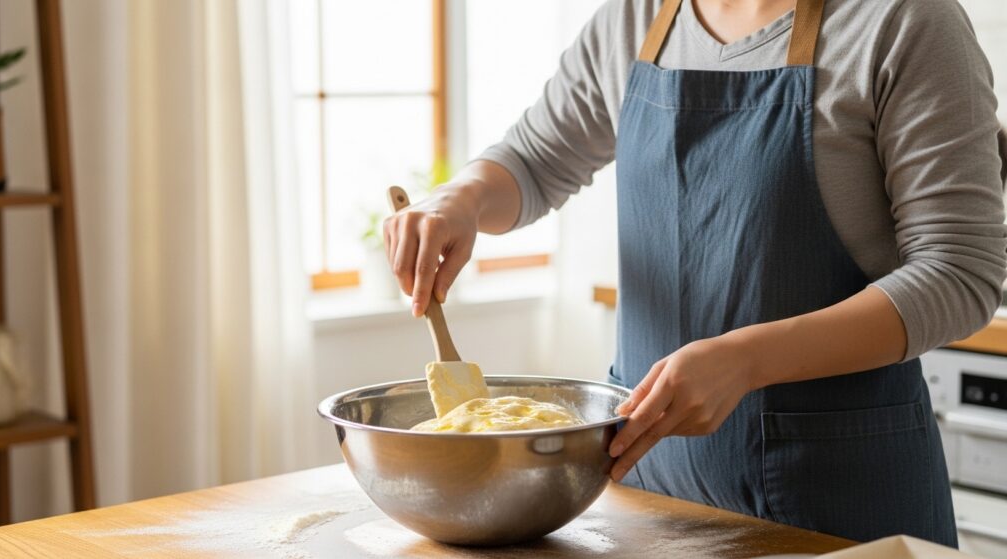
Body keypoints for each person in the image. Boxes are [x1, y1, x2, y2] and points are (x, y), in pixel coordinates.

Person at [383, 0, 1006, 546]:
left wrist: (748, 359)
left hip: (839, 504)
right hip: (651, 501)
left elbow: (960, 271)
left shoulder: (905, 21)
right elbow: (534, 160)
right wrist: (460, 199)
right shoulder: (636, 17)